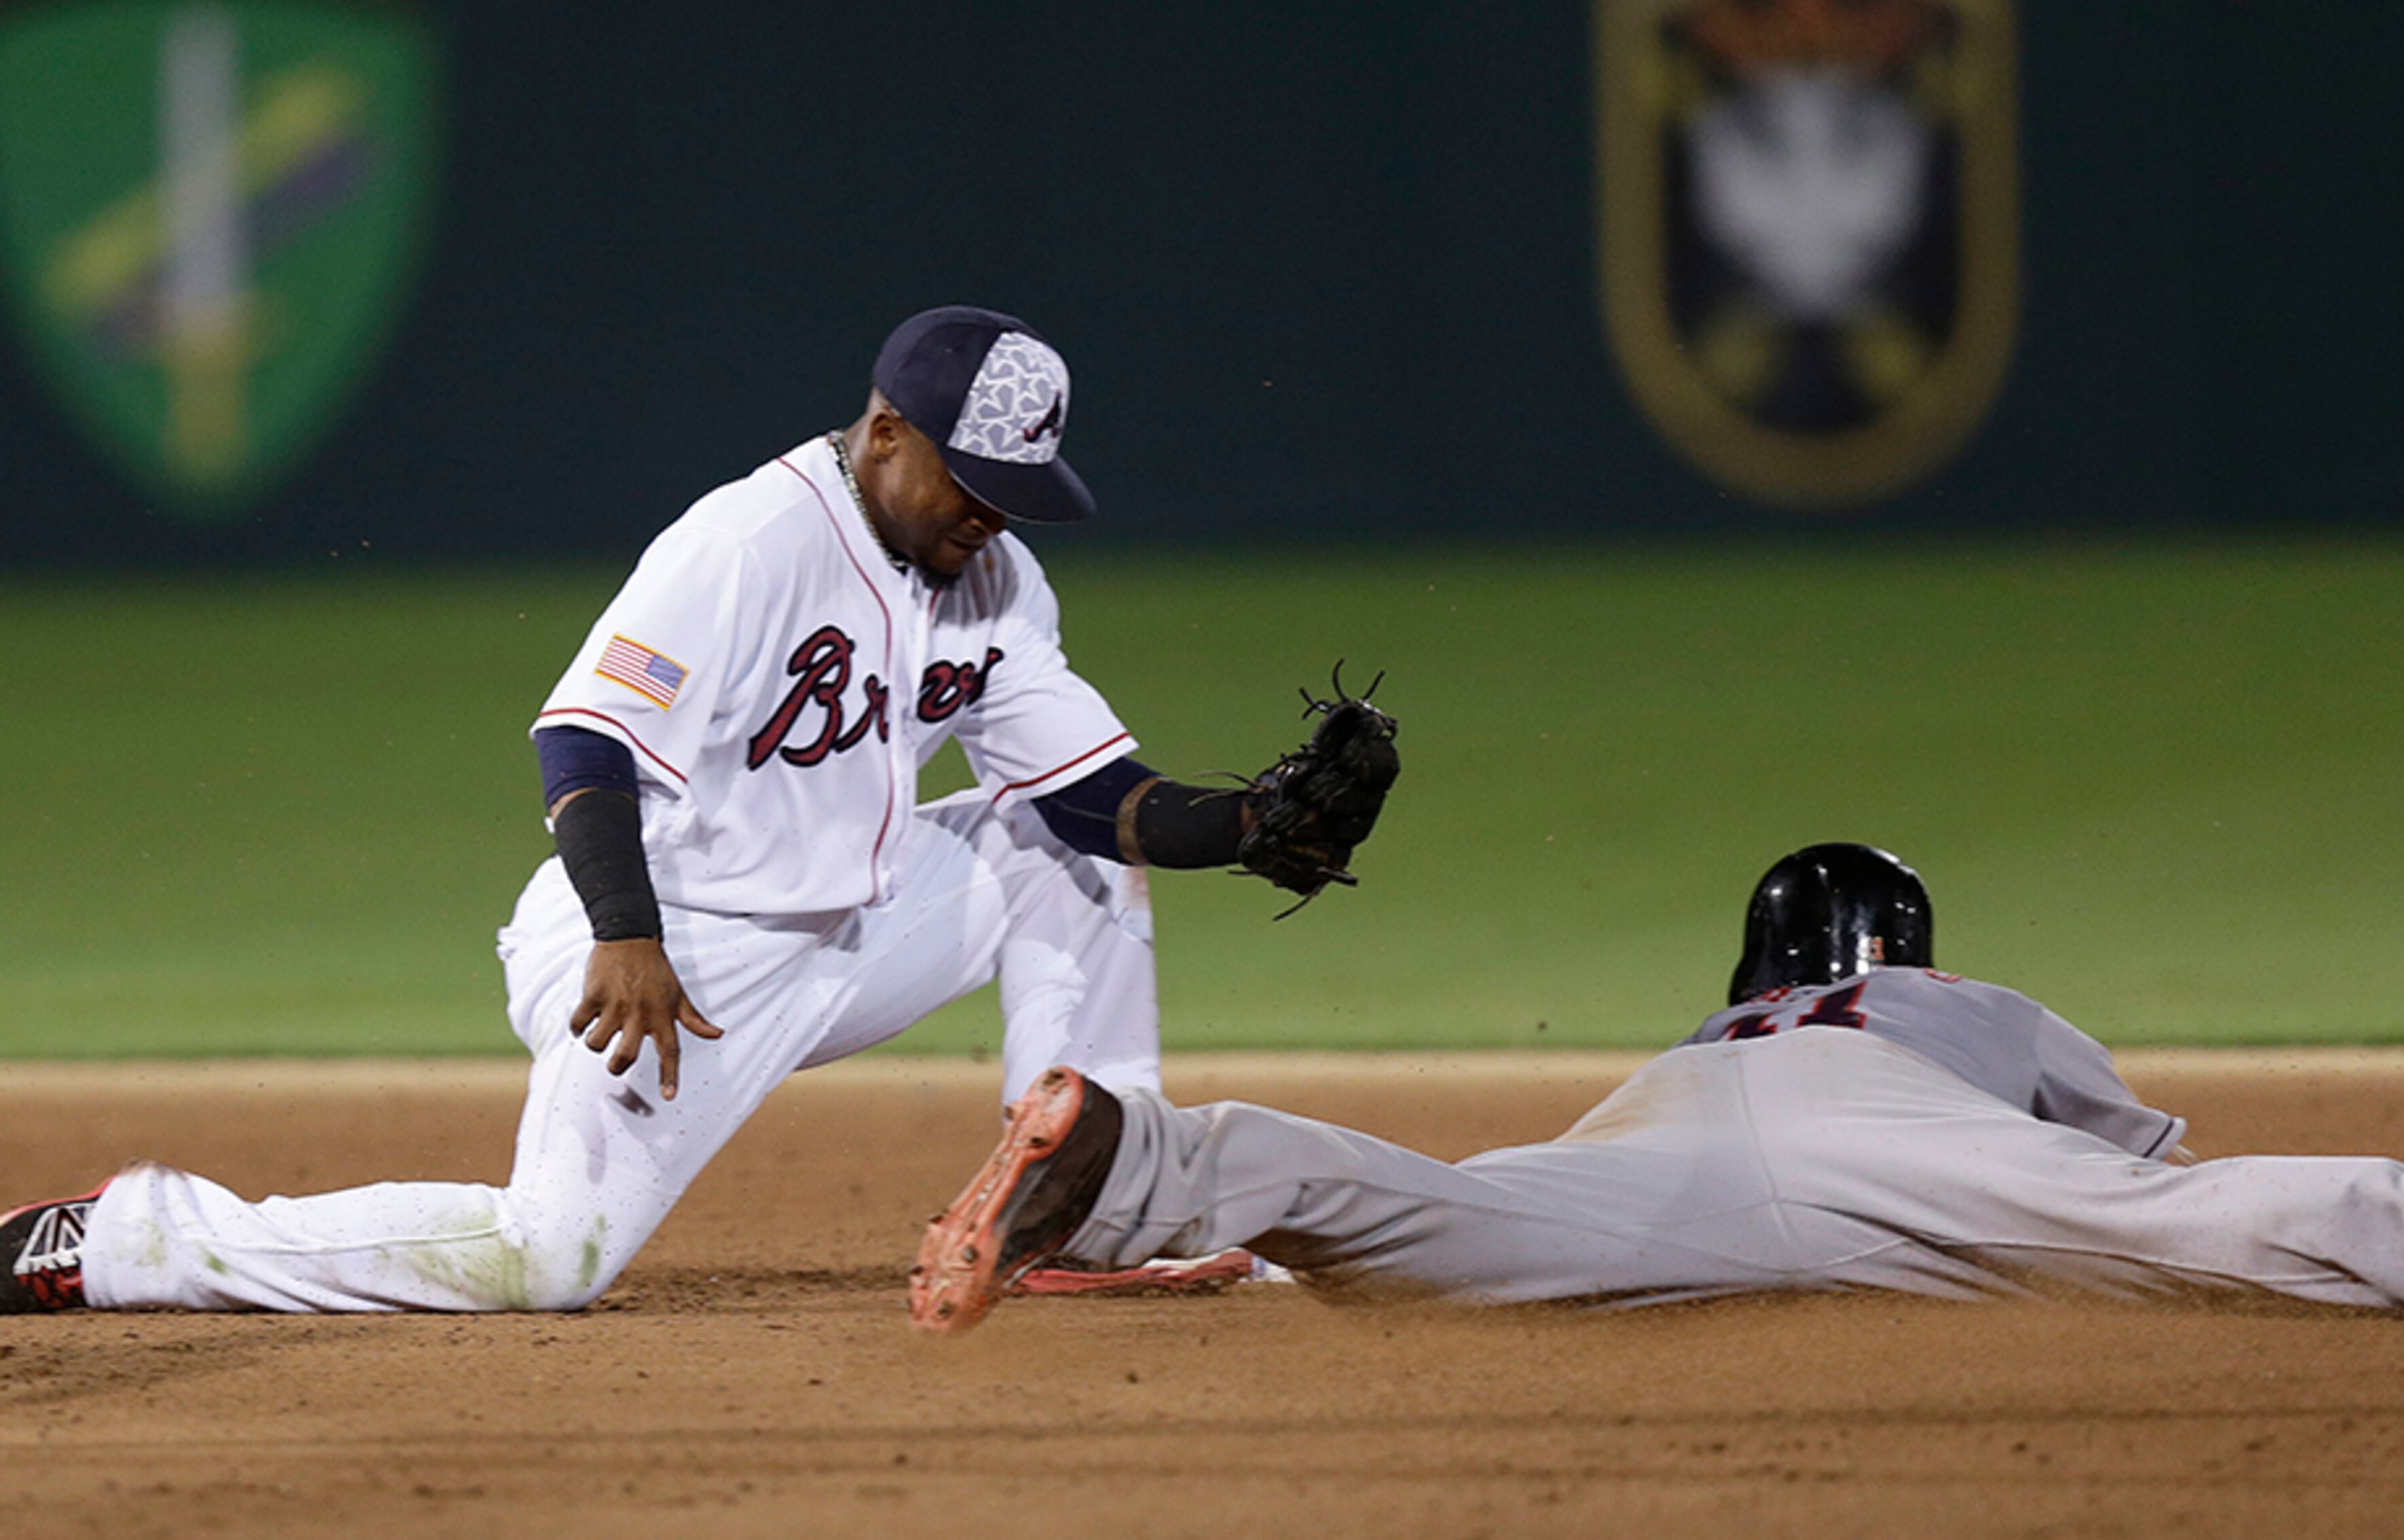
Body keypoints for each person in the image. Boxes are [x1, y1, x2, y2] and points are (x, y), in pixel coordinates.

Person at [0, 305, 1393, 1316]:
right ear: (889, 432)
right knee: (544, 1260)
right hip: (668, 954)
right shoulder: (750, 541)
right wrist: (626, 931)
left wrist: (1247, 826)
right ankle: (126, 1242)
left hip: (857, 924)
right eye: (974, 486)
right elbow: (585, 733)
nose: (994, 518)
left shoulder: (998, 582)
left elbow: (1091, 799)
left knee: (1056, 851)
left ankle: (1097, 1202)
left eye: (1017, 495)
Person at [909, 842, 2404, 1334]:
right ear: (1911, 941)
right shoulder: (1963, 1001)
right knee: (2159, 1220)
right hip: (1899, 1131)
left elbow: (1522, 1195)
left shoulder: (1704, 1042)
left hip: (1658, 1145)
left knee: (1451, 1216)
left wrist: (1244, 1272)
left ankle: (1145, 1164)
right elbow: (2150, 1161)